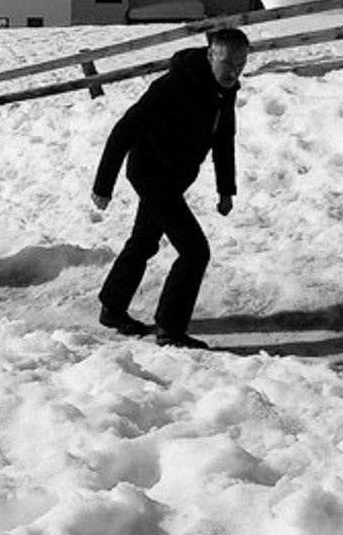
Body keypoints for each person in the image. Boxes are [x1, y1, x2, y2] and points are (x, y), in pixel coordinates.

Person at [91, 27, 247, 348]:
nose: (234, 71)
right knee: (195, 251)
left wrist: (225, 189)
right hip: (151, 173)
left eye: (241, 64)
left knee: (144, 241)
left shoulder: (224, 91)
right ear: (209, 56)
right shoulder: (175, 86)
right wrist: (103, 186)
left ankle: (112, 307)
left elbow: (223, 140)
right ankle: (170, 329)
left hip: (174, 177)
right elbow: (123, 131)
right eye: (227, 63)